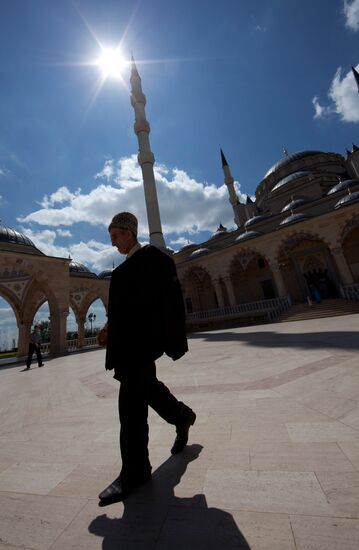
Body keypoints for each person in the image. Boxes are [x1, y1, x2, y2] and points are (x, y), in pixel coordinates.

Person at [97, 212, 196, 505]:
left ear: (129, 232)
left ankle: (136, 470)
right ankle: (182, 416)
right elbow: (123, 310)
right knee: (148, 389)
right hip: (127, 347)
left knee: (130, 408)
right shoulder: (125, 269)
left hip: (139, 347)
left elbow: (167, 300)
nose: (113, 243)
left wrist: (169, 339)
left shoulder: (153, 259)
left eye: (115, 236)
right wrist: (108, 327)